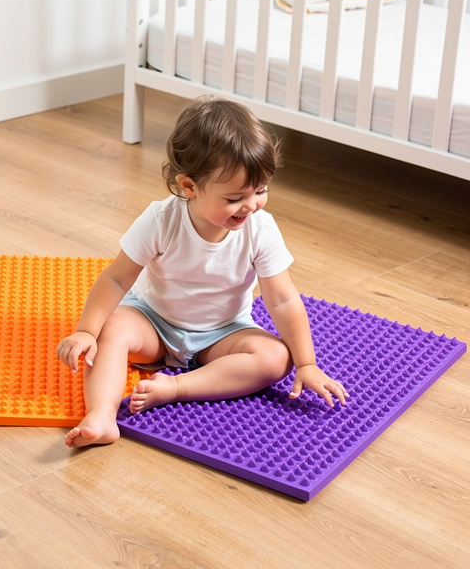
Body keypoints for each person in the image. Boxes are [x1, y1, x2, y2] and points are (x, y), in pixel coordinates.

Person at [57, 97, 348, 448]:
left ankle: (176, 388)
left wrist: (306, 364)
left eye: (261, 190)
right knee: (113, 328)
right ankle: (102, 416)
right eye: (234, 198)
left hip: (222, 333)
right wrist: (87, 330)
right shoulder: (160, 220)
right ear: (190, 187)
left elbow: (283, 299)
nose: (251, 205)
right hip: (154, 323)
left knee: (276, 358)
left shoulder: (261, 229)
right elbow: (117, 277)